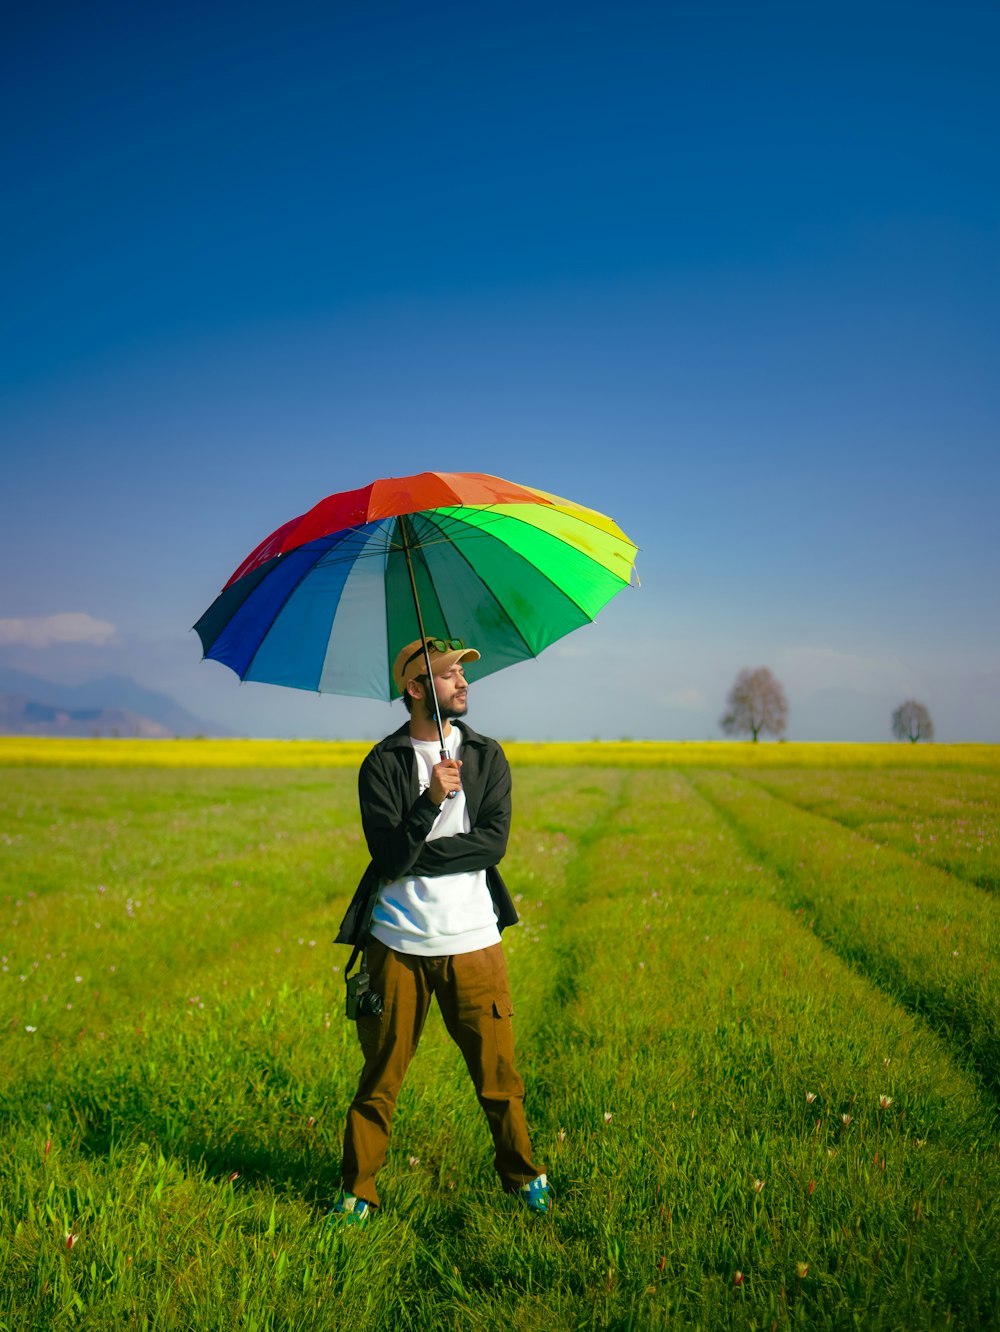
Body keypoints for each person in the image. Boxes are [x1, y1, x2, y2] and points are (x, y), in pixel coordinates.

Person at [330, 636, 549, 1225]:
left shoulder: (486, 756)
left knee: (498, 1077)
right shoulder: (382, 764)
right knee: (379, 1080)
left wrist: (418, 846)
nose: (464, 682)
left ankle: (525, 1179)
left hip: (476, 940)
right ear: (416, 687)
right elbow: (390, 859)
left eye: (462, 673)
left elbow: (492, 845)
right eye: (450, 674)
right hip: (396, 944)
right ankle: (357, 1194)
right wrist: (429, 802)